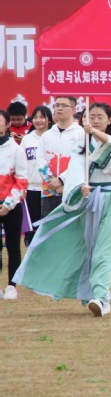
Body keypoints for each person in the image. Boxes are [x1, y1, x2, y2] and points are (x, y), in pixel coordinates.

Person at [14, 103, 111, 316]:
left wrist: (94, 133)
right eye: (91, 117)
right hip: (87, 201)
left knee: (105, 250)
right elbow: (74, 171)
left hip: (110, 201)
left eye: (100, 117)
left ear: (109, 120)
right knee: (87, 249)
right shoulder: (81, 146)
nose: (95, 121)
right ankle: (96, 293)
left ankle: (101, 298)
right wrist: (78, 186)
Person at [37, 96, 84, 217]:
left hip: (73, 190)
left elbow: (81, 161)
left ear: (74, 110)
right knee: (48, 225)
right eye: (57, 105)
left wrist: (62, 180)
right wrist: (52, 181)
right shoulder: (46, 135)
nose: (59, 108)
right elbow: (40, 160)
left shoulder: (81, 133)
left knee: (72, 225)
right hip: (49, 190)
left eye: (64, 105)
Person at [0, 109, 28, 300]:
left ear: (7, 124)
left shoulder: (16, 149)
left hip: (11, 205)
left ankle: (12, 285)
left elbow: (22, 179)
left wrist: (8, 204)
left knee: (13, 245)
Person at [19, 106, 53, 247]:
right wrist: (22, 186)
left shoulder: (53, 137)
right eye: (35, 117)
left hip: (51, 189)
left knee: (48, 226)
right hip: (31, 188)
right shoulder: (27, 139)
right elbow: (21, 164)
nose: (38, 120)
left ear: (49, 120)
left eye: (42, 117)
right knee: (32, 225)